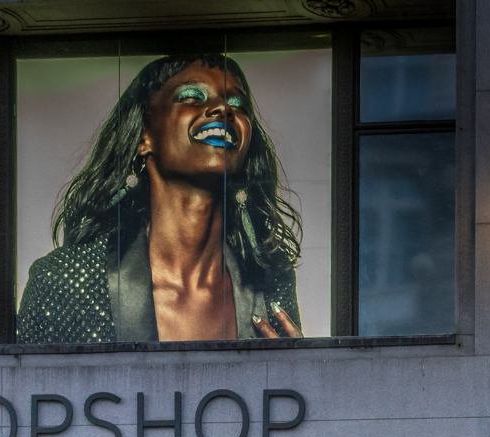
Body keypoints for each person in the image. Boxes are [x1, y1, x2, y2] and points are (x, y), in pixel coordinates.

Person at [18, 53, 302, 344]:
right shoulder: (64, 280)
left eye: (237, 104)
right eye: (191, 96)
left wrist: (304, 367)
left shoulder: (270, 279)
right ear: (145, 136)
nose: (222, 108)